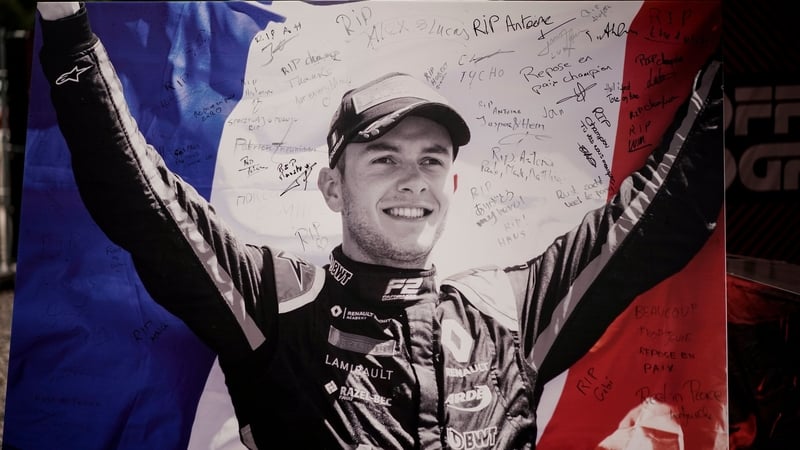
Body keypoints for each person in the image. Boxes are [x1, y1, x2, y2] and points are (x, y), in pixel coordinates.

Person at [36, 2, 723, 449]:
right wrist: (66, 26)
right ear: (332, 186)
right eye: (384, 156)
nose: (411, 178)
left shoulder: (511, 311)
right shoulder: (277, 305)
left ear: (452, 185)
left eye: (431, 159)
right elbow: (141, 201)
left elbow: (660, 219)